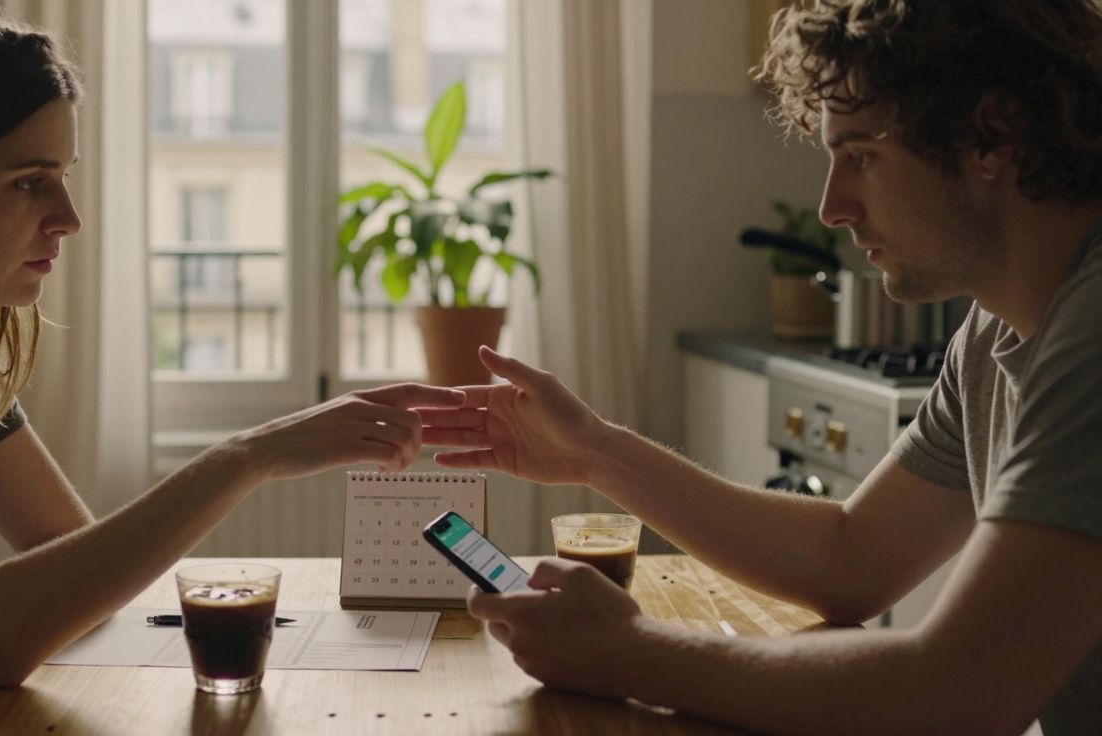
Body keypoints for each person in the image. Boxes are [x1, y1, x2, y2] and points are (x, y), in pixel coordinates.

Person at [421, 1, 1102, 734]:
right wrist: (595, 452)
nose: (832, 207)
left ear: (992, 138)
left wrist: (627, 652)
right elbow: (852, 557)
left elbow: (957, 690)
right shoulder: (996, 329)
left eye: (862, 157)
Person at [0, 3, 466, 735]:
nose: (69, 217)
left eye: (65, 176)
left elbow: (56, 549)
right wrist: (252, 455)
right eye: (28, 181)